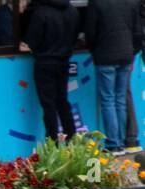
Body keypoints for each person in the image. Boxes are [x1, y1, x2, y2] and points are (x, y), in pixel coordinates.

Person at [86, 0, 143, 153]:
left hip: (105, 56)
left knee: (108, 100)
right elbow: (138, 33)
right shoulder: (131, 2)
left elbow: (90, 33)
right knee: (120, 100)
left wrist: (95, 50)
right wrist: (131, 52)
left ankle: (113, 143)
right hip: (125, 55)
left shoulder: (96, 3)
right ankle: (122, 142)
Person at [20, 0, 80, 143]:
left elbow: (31, 42)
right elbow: (75, 38)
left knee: (49, 105)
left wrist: (27, 45)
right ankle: (72, 138)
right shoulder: (72, 10)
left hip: (44, 63)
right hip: (64, 61)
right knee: (62, 102)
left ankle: (52, 142)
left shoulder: (40, 13)